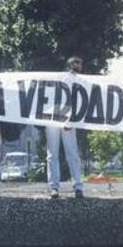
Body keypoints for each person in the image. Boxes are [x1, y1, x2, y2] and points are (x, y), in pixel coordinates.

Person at [45, 56, 84, 199]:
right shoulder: (60, 77)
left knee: (72, 154)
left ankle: (78, 186)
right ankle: (54, 187)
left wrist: (71, 119)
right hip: (53, 117)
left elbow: (79, 102)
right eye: (77, 62)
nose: (79, 65)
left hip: (69, 120)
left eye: (80, 63)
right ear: (70, 64)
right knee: (52, 154)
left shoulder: (83, 81)